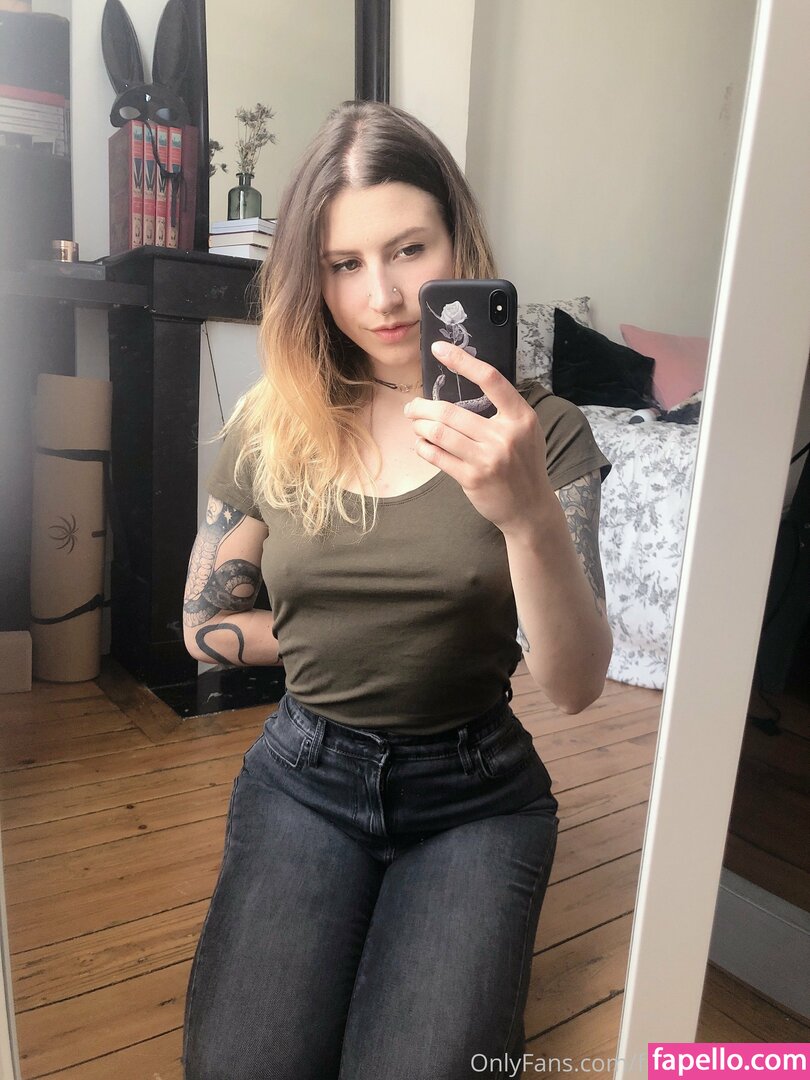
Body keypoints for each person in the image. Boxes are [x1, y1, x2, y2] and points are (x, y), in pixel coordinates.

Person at [181, 99, 613, 1080]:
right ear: (311, 274)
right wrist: (352, 640)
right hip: (304, 773)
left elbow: (577, 683)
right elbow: (204, 624)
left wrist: (526, 514)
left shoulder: (542, 432)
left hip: (477, 793)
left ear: (459, 241)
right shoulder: (274, 421)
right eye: (343, 263)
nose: (379, 295)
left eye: (409, 249)